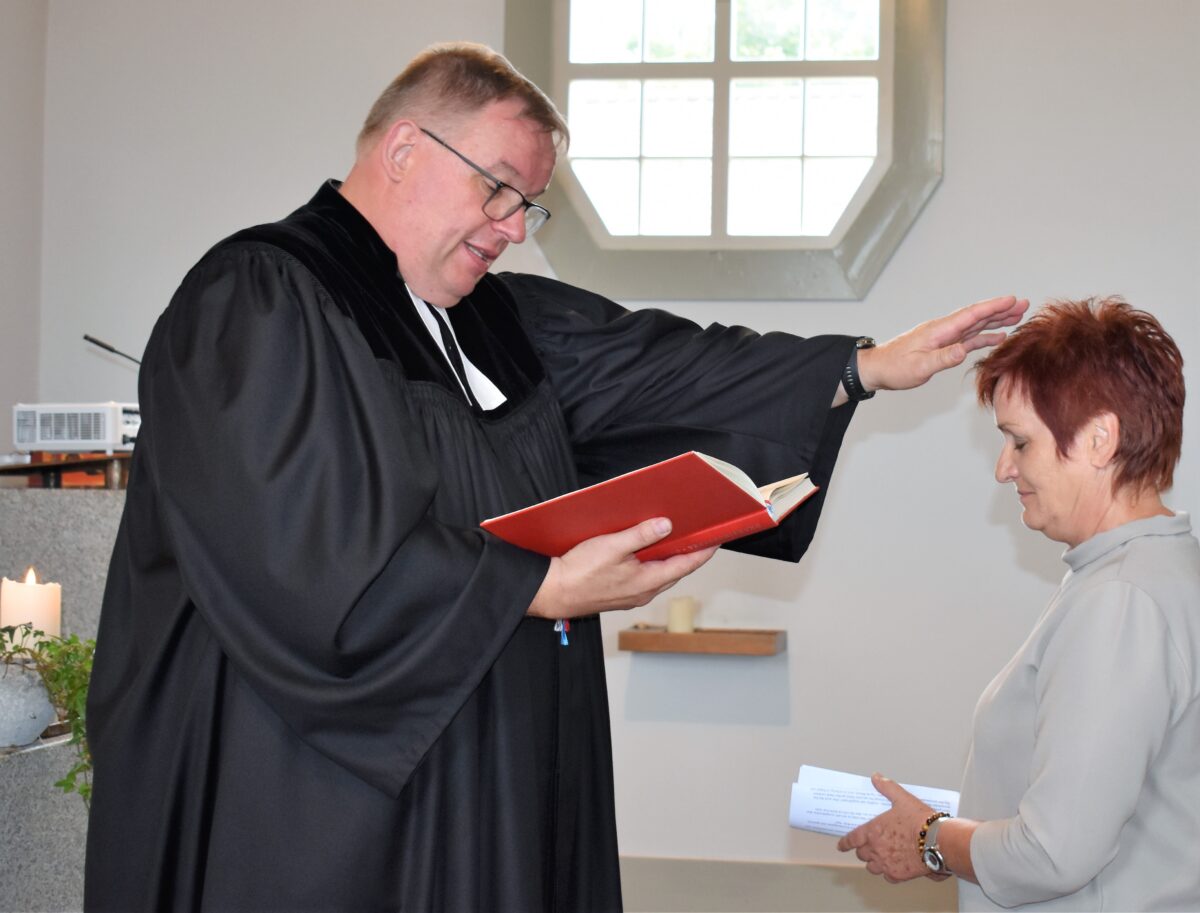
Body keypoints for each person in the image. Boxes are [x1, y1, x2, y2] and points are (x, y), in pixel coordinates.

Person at [84, 41, 1026, 912]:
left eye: (527, 206)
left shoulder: (497, 321)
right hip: (313, 798)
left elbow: (665, 366)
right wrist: (534, 586)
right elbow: (296, 549)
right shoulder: (260, 299)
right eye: (498, 189)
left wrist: (863, 366)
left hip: (491, 773)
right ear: (404, 149)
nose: (511, 228)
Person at [837, 297, 1200, 911]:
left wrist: (929, 839)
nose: (1004, 469)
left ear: (1099, 439)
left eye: (1020, 442)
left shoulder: (1121, 600)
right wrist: (949, 835)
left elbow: (1055, 853)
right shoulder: (1150, 571)